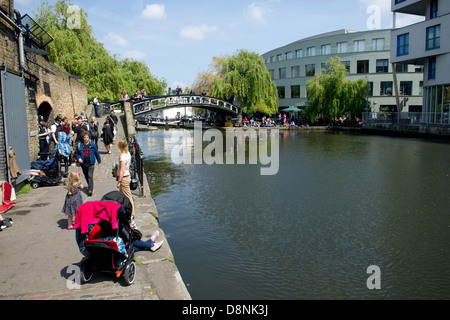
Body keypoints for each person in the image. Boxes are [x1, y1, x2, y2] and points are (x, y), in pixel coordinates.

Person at [75, 131, 101, 196]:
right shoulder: (80, 145)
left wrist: (99, 161)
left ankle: (90, 190)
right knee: (86, 175)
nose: (86, 138)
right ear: (83, 138)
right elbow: (76, 153)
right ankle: (90, 185)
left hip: (91, 162)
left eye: (87, 137)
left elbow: (96, 153)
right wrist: (78, 158)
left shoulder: (92, 145)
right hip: (83, 163)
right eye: (85, 137)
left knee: (90, 175)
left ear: (89, 138)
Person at [116, 139, 135, 226]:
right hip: (128, 175)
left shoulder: (122, 156)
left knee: (127, 196)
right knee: (126, 196)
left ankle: (131, 215)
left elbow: (122, 170)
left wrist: (119, 181)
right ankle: (127, 213)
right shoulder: (128, 154)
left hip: (124, 177)